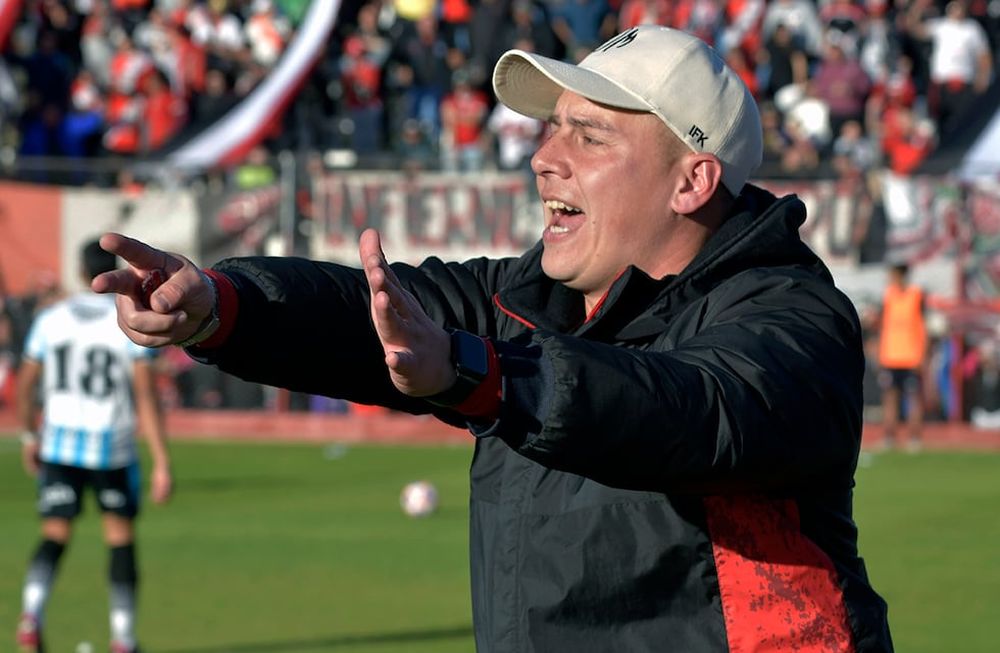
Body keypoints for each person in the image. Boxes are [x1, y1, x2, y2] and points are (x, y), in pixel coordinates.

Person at [93, 26, 893, 652]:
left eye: (589, 136)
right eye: (550, 131)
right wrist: (216, 306)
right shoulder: (531, 298)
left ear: (693, 180)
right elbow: (365, 309)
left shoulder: (790, 314)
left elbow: (697, 409)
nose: (543, 158)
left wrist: (480, 374)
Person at [15, 240, 173, 653]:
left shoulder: (51, 319)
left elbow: (26, 386)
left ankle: (31, 616)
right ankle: (123, 638)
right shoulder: (128, 319)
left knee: (54, 533)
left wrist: (31, 436)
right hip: (112, 447)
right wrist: (161, 461)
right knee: (119, 538)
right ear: (112, 270)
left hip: (60, 445)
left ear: (81, 271)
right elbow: (145, 395)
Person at [877, 262, 928, 452]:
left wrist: (923, 354)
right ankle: (889, 437)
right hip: (890, 356)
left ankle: (914, 438)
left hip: (911, 357)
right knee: (890, 398)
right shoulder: (888, 295)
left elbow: (924, 327)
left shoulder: (916, 295)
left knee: (913, 398)